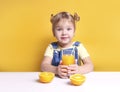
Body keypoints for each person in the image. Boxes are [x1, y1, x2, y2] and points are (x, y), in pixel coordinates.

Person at [41, 11, 94, 78]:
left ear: (74, 32)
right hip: (56, 82)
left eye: (68, 29)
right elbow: (43, 66)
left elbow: (90, 66)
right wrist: (56, 70)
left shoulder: (78, 46)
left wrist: (79, 70)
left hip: (74, 80)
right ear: (53, 32)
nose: (64, 33)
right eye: (59, 29)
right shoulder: (52, 47)